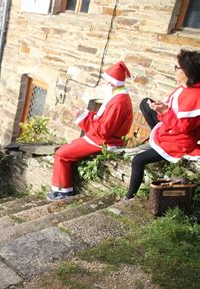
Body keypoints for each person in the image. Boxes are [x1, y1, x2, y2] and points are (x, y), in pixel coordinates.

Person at [48, 61, 134, 200]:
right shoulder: (118, 97)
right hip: (100, 138)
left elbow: (104, 130)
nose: (103, 84)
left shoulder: (119, 102)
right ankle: (62, 189)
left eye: (106, 82)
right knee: (67, 147)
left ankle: (63, 192)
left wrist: (83, 118)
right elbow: (103, 121)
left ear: (112, 84)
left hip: (104, 141)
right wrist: (86, 113)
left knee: (62, 153)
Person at [124, 50, 200, 200]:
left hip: (179, 141)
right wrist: (161, 107)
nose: (175, 70)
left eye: (177, 68)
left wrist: (164, 111)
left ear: (188, 72)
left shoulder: (195, 95)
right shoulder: (185, 87)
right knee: (146, 103)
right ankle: (156, 142)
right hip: (171, 130)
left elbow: (184, 128)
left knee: (137, 160)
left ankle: (128, 198)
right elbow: (175, 109)